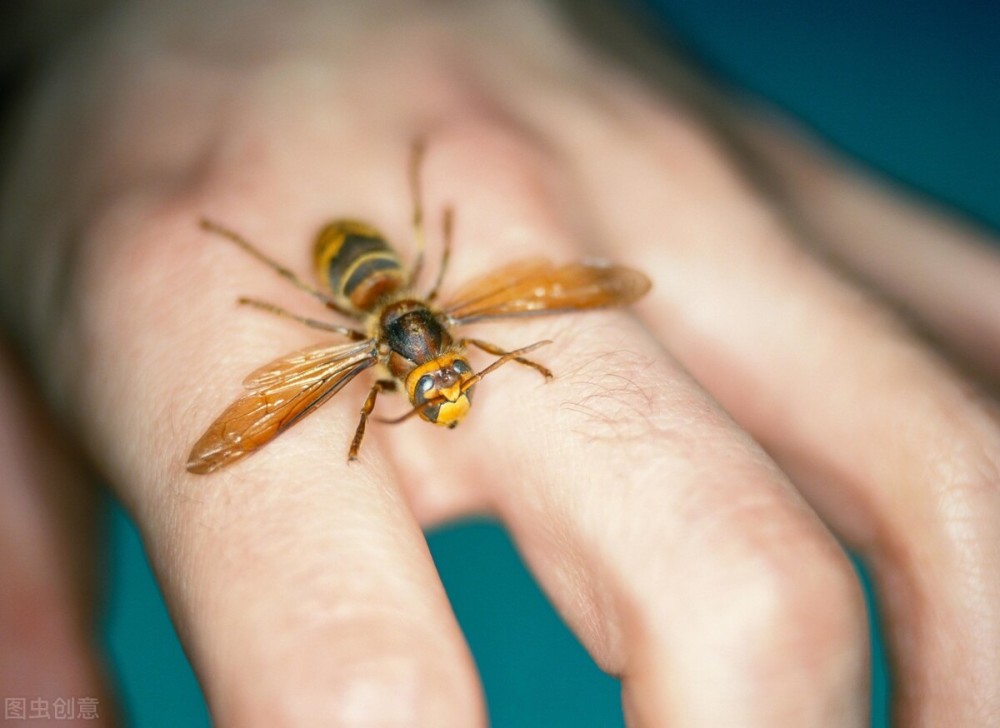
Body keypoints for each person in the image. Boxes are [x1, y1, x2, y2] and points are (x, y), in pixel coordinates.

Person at [2, 1, 998, 725]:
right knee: (283, 288)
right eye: (440, 378)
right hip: (343, 262)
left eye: (443, 377)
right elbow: (287, 396)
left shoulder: (452, 315)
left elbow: (528, 299)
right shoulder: (361, 352)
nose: (445, 384)